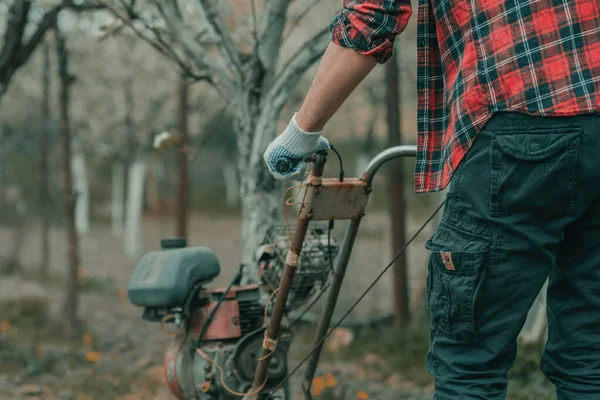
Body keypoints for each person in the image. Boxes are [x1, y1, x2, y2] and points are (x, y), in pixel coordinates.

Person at [263, 0, 600, 399]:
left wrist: (300, 132)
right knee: (590, 353)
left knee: (470, 364)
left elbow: (374, 13)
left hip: (522, 117)